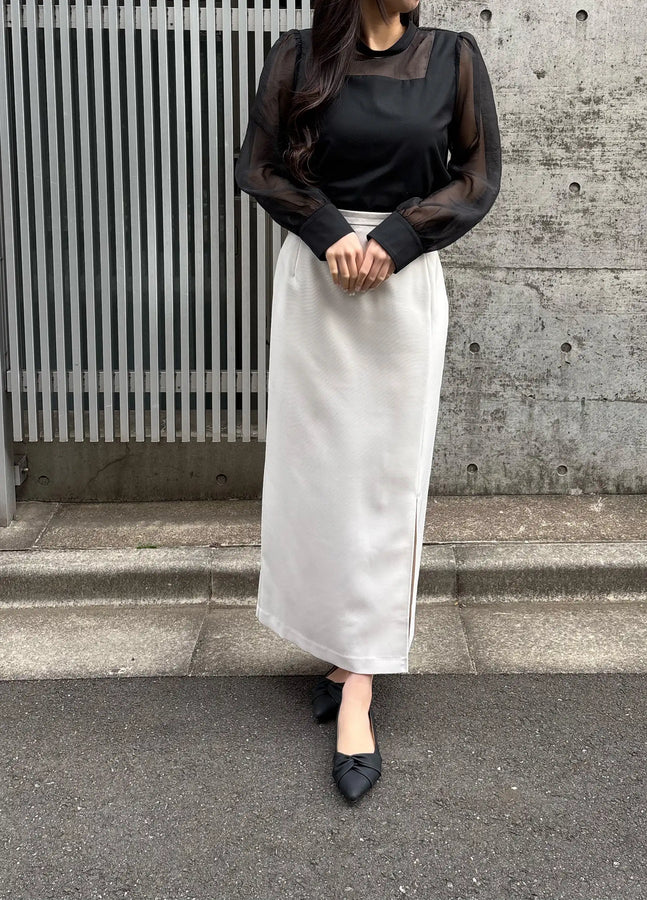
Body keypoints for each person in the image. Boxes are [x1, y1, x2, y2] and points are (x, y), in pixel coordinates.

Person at [235, 0, 501, 802]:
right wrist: (331, 234)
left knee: (386, 485)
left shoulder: (453, 57)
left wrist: (396, 237)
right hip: (318, 283)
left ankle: (358, 682)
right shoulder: (297, 55)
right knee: (317, 480)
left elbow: (477, 176)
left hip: (402, 288)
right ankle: (339, 651)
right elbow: (261, 167)